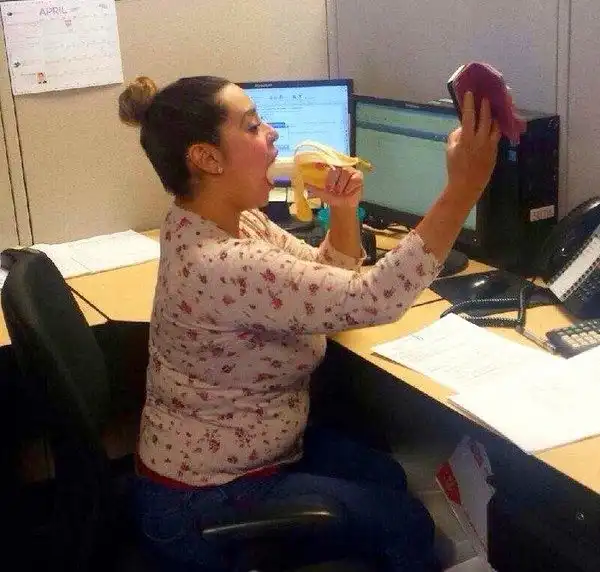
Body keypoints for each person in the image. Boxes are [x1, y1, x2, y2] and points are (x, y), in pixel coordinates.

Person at [118, 75, 500, 571]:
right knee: (407, 524)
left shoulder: (217, 219)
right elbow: (374, 298)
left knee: (385, 475)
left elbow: (323, 276)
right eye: (252, 126)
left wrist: (342, 211)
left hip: (253, 453)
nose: (273, 132)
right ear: (207, 158)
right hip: (204, 499)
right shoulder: (223, 261)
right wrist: (464, 189)